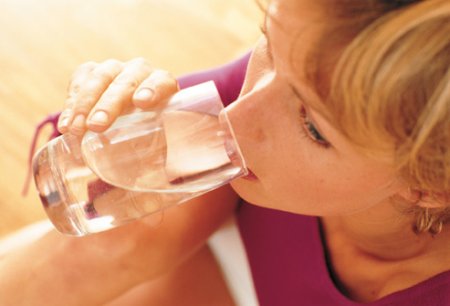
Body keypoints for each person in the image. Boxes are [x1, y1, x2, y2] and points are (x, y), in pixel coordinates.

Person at [1, 0, 449, 305]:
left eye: (313, 128)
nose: (236, 115)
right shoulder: (299, 78)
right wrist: (113, 128)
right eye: (268, 46)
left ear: (430, 184)